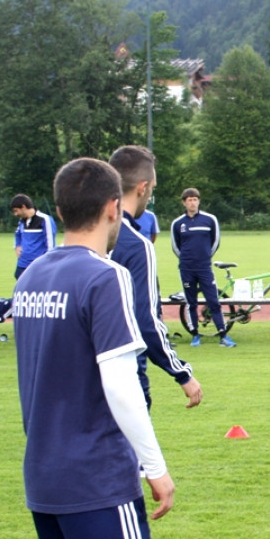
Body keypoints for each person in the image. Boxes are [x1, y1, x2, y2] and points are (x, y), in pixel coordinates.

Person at [13, 157, 176, 539]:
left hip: (45, 472)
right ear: (113, 207)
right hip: (97, 477)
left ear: (58, 210)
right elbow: (121, 383)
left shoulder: (31, 278)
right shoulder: (106, 276)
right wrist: (155, 466)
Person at [107, 145, 203, 411]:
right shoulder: (137, 245)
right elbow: (145, 320)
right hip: (125, 373)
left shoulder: (84, 236)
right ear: (142, 188)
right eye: (152, 189)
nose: (150, 196)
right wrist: (181, 372)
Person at [170, 187, 236, 348]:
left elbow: (215, 242)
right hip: (186, 268)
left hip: (205, 268)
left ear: (199, 201)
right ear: (184, 203)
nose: (193, 203)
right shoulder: (177, 223)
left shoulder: (210, 219)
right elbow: (175, 246)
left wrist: (205, 257)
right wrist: (187, 259)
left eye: (195, 199)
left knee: (213, 301)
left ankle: (223, 335)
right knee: (191, 302)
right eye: (189, 200)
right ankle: (195, 335)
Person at [11, 193, 57, 279]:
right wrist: (17, 245)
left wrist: (48, 264)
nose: (15, 214)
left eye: (16, 210)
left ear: (23, 207)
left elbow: (50, 244)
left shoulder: (45, 219)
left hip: (38, 265)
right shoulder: (22, 221)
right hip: (22, 264)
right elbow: (18, 234)